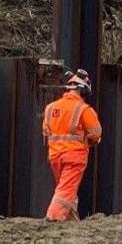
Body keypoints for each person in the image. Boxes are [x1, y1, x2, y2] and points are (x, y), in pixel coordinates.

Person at [42, 68, 101, 221]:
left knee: (67, 189)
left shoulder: (50, 108)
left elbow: (46, 132)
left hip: (55, 156)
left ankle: (72, 224)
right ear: (83, 91)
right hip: (75, 156)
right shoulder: (84, 109)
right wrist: (89, 141)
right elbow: (96, 134)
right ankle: (54, 218)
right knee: (66, 190)